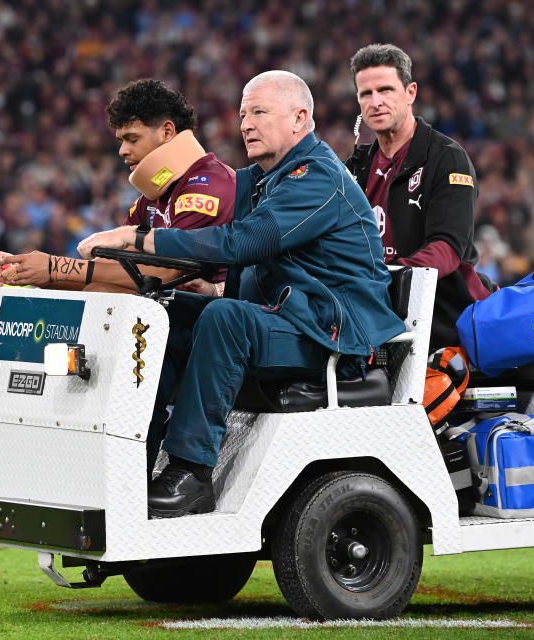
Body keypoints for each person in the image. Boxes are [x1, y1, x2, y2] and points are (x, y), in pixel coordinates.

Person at [78, 71, 405, 518]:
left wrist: (137, 239)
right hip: (294, 320)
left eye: (260, 112)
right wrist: (212, 288)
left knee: (225, 318)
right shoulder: (264, 181)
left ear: (300, 118)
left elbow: (240, 243)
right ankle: (132, 460)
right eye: (243, 114)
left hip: (335, 337)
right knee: (167, 314)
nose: (246, 123)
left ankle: (190, 474)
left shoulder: (318, 177)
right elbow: (252, 264)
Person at [0, 79, 235, 291]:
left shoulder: (207, 185)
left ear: (167, 132)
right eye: (121, 140)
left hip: (213, 322)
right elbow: (114, 270)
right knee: (101, 288)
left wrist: (56, 269)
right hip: (170, 318)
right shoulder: (150, 198)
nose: (122, 150)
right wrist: (33, 275)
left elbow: (171, 273)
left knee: (102, 293)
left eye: (132, 139)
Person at [345, 43, 493, 352]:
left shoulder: (447, 159)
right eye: (365, 94)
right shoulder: (354, 170)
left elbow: (447, 249)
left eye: (386, 90)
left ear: (410, 92)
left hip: (446, 322)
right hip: (378, 316)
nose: (375, 102)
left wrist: (385, 279)